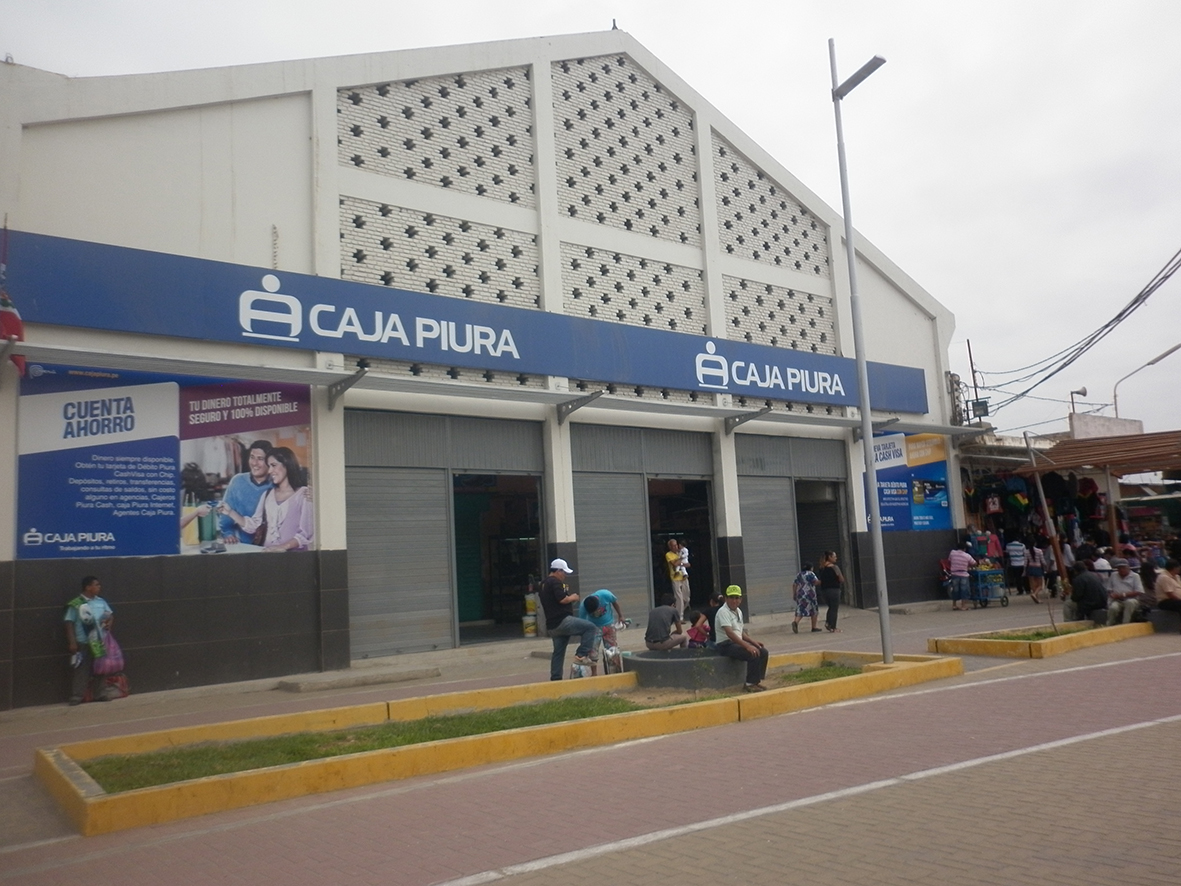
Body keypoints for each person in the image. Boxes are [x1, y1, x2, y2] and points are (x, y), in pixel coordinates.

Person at [220, 447, 313, 551]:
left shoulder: (304, 494)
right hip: (267, 553)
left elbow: (306, 533)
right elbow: (254, 525)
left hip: (293, 557)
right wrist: (230, 512)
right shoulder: (267, 494)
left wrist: (282, 547)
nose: (269, 471)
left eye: (273, 465)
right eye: (269, 466)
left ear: (287, 464)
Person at [538, 559, 597, 680]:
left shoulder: (543, 584)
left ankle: (556, 678)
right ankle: (581, 655)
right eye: (564, 572)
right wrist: (573, 597)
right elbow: (562, 599)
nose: (565, 575)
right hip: (562, 621)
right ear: (558, 571)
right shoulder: (555, 582)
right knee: (590, 628)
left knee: (558, 652)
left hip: (552, 626)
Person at [64, 576, 114, 705]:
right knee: (81, 670)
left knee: (101, 668)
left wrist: (109, 623)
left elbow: (109, 615)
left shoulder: (101, 602)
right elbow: (69, 623)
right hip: (83, 641)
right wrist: (72, 642)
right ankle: (77, 696)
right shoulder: (76, 604)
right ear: (88, 587)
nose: (99, 587)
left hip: (99, 640)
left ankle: (100, 694)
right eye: (96, 585)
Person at [714, 585, 769, 692]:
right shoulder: (723, 612)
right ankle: (750, 683)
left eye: (737, 598)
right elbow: (730, 633)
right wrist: (747, 646)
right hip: (725, 644)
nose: (734, 601)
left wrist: (753, 642)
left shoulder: (738, 611)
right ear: (726, 598)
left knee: (763, 652)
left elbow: (740, 631)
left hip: (736, 643)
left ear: (740, 599)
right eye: (731, 598)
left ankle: (756, 681)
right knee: (753, 653)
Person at [219, 439, 274, 543]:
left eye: (260, 459)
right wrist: (228, 533)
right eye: (252, 457)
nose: (254, 463)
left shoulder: (276, 484)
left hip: (269, 545)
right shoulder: (237, 481)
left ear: (269, 462)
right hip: (241, 543)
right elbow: (226, 513)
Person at [578, 590, 624, 671]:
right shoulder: (583, 607)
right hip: (594, 628)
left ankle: (613, 670)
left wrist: (620, 616)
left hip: (608, 625)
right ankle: (594, 672)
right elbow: (582, 623)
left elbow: (614, 602)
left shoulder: (605, 595)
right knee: (593, 651)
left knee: (612, 650)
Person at [1105, 558, 1145, 625]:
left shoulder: (1135, 576)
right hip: (1117, 600)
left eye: (1123, 567)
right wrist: (1111, 594)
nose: (1121, 570)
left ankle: (1125, 624)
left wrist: (1122, 595)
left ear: (1128, 567)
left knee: (1129, 603)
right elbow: (1109, 589)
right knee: (1113, 608)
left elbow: (1139, 591)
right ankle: (1109, 624)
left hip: (1131, 599)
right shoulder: (1113, 575)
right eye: (1119, 568)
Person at [817, 550, 844, 632]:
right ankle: (833, 627)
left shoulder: (821, 567)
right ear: (829, 557)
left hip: (824, 591)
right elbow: (841, 579)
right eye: (834, 556)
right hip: (834, 590)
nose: (836, 558)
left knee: (831, 607)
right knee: (834, 608)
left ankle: (828, 623)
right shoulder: (834, 567)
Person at [947, 542, 977, 611]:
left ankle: (954, 605)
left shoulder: (952, 553)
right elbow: (974, 563)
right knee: (964, 590)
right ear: (964, 549)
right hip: (963, 574)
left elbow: (949, 561)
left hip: (954, 574)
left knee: (955, 590)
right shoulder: (967, 556)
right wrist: (968, 565)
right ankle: (963, 606)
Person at [791, 563, 821, 631]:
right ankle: (814, 627)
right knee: (814, 610)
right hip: (810, 594)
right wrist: (822, 582)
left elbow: (794, 584)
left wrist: (794, 594)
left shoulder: (799, 574)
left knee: (801, 609)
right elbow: (815, 582)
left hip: (800, 594)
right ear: (811, 568)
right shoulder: (811, 574)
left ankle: (795, 622)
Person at [1154, 560, 1181, 631]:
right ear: (1174, 568)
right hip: (1165, 601)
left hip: (1175, 599)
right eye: (1178, 567)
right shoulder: (1164, 577)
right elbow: (1170, 594)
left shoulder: (1177, 577)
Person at [665, 539, 690, 618]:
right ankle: (679, 617)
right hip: (675, 578)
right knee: (679, 599)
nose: (676, 547)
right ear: (670, 547)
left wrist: (680, 562)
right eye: (673, 546)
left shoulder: (681, 552)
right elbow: (674, 564)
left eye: (676, 545)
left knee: (686, 598)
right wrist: (681, 559)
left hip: (684, 577)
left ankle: (678, 612)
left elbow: (688, 564)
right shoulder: (669, 554)